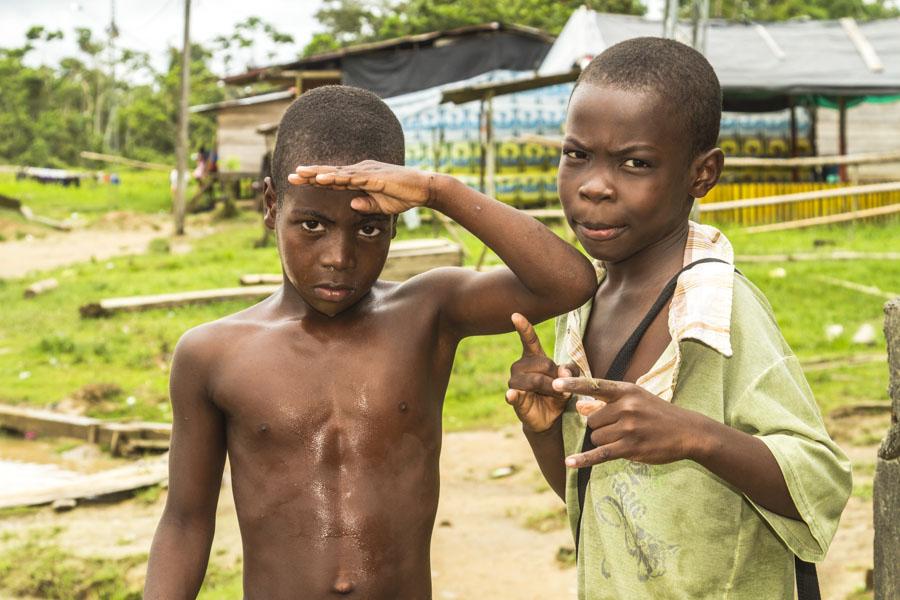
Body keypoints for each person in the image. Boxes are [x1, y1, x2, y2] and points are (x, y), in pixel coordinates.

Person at [143, 85, 597, 599]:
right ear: (272, 205)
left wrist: (438, 190)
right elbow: (184, 522)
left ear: (396, 219)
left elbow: (570, 281)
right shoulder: (212, 354)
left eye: (368, 229)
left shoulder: (427, 313)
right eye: (312, 224)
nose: (339, 256)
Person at [505, 38, 851, 599]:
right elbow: (589, 495)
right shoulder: (585, 304)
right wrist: (544, 430)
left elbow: (822, 479)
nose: (594, 184)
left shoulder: (719, 313)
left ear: (702, 174)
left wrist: (697, 437)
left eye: (635, 163)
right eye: (577, 154)